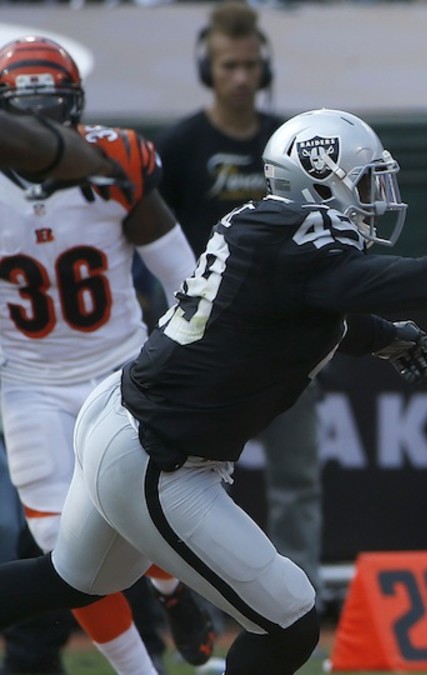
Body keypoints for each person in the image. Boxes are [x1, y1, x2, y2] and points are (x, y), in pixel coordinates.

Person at [0, 107, 427, 675]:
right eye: (365, 183)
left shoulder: (270, 231)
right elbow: (416, 280)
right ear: (320, 176)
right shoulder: (301, 240)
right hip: (159, 459)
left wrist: (380, 336)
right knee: (291, 622)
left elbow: (298, 315)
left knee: (69, 581)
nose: (377, 199)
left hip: (121, 416)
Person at [0, 36, 218, 673]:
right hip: (28, 382)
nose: (41, 127)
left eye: (54, 108)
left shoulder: (114, 165)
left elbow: (187, 277)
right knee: (57, 543)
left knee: (138, 506)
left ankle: (173, 590)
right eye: (25, 111)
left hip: (119, 367)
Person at [154, 1, 328, 614]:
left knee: (297, 480)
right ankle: (196, 612)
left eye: (250, 65)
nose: (240, 77)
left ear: (265, 67)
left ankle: (300, 605)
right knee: (186, 482)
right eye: (228, 65)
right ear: (209, 67)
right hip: (206, 345)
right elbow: (153, 241)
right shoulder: (180, 146)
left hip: (290, 340)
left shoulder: (287, 142)